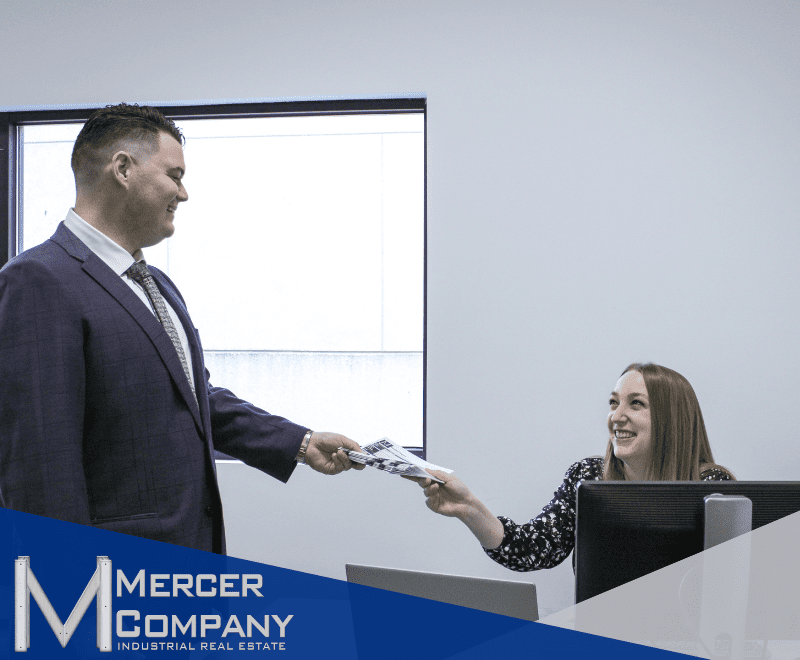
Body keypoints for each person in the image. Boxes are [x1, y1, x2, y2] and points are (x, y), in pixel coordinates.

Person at [0, 103, 365, 554]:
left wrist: (301, 442)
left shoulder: (156, 284)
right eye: (174, 175)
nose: (184, 193)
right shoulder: (38, 280)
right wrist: (68, 585)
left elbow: (194, 399)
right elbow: (40, 465)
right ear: (122, 169)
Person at [415, 362, 734, 572]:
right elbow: (532, 549)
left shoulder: (712, 486)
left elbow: (728, 586)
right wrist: (468, 507)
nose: (616, 416)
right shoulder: (588, 476)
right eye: (614, 402)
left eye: (635, 404)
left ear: (672, 419)